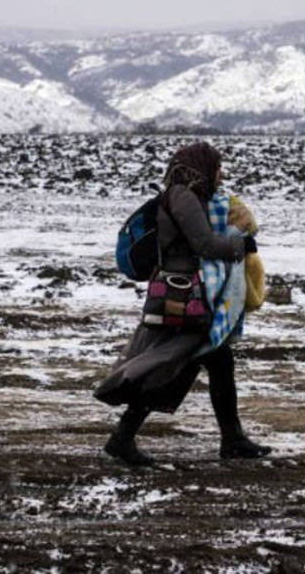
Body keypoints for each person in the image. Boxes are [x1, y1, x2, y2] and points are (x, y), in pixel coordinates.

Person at [94, 142, 272, 465]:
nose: (221, 175)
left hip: (190, 297)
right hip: (183, 297)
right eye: (216, 167)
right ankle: (124, 437)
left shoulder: (188, 196)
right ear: (200, 166)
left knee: (211, 362)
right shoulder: (182, 197)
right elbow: (203, 243)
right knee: (172, 365)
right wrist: (240, 244)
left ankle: (231, 438)